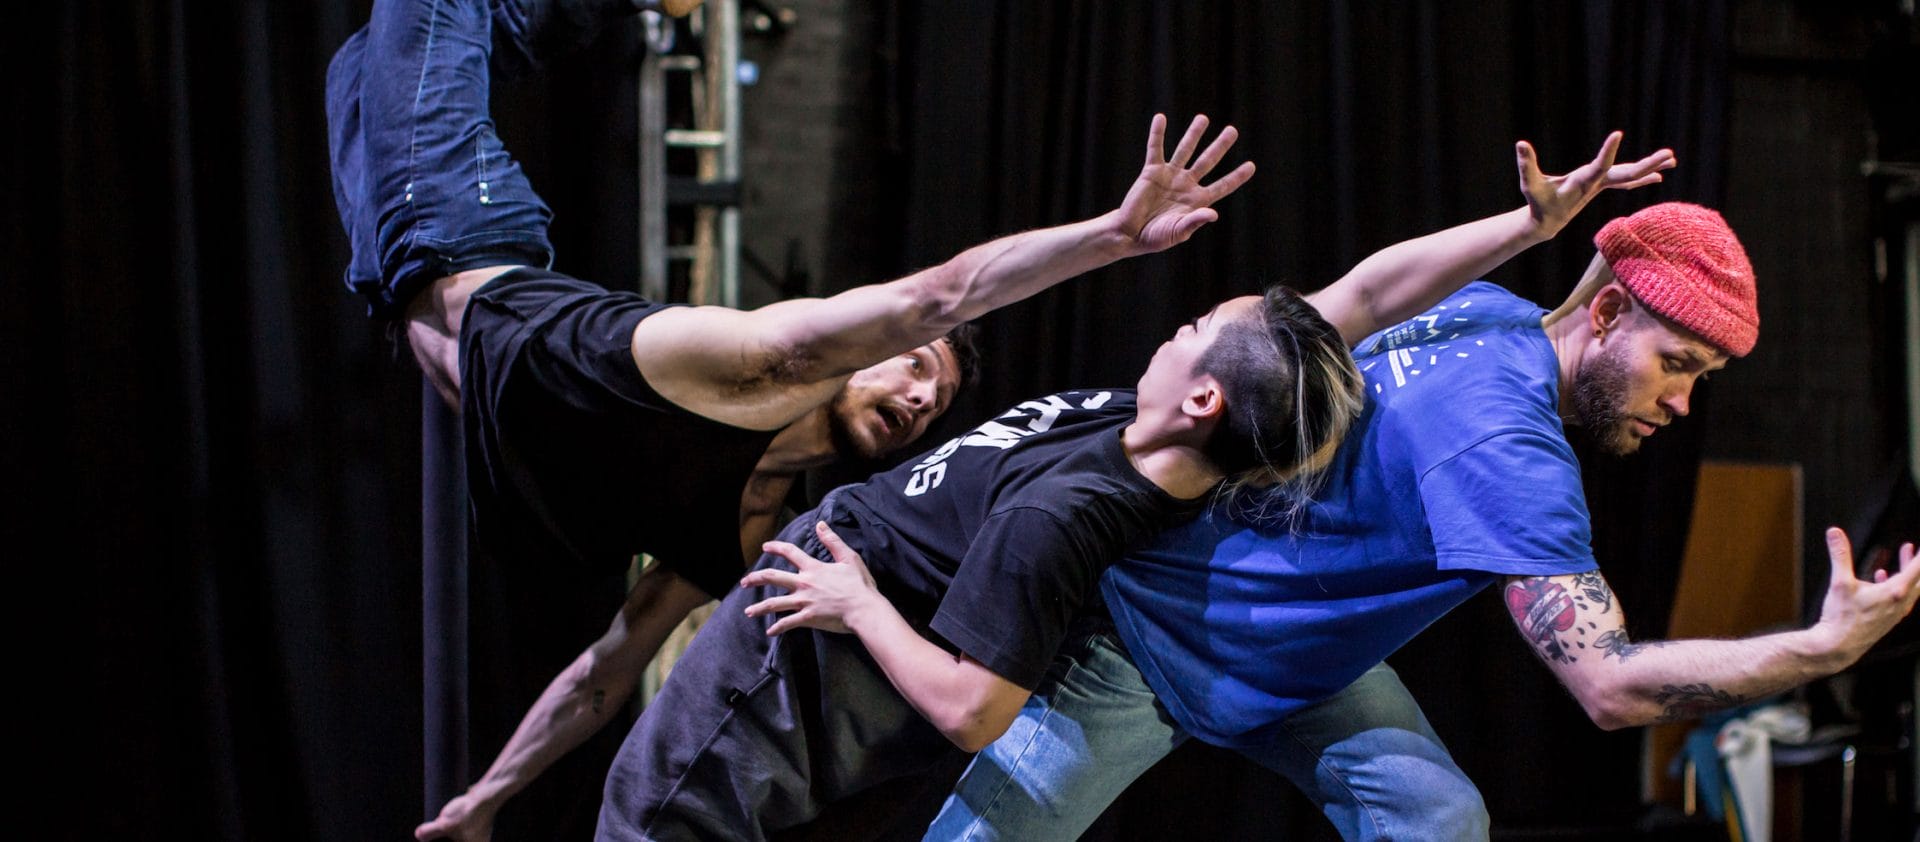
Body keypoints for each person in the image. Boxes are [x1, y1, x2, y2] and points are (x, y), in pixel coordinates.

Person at [326, 0, 1264, 838]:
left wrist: (487, 798)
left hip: (392, 287)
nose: (918, 399)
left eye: (935, 403)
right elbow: (943, 294)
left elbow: (604, 675)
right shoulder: (762, 368)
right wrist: (1112, 236)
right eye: (914, 370)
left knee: (360, 64)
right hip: (452, 233)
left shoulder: (748, 527)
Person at [588, 134, 1681, 842]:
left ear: (1205, 394)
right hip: (862, 612)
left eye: (1197, 325)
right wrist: (1532, 230)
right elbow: (1363, 292)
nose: (1180, 321)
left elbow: (974, 710)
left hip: (825, 621)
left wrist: (861, 600)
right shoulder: (1148, 425)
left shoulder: (1071, 508)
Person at [923, 199, 1920, 840]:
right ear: (1610, 313)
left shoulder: (1485, 308)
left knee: (1436, 818)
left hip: (1303, 662)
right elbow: (1611, 689)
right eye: (1679, 365)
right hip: (1152, 636)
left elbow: (1356, 294)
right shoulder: (1509, 450)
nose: (1683, 402)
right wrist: (1818, 650)